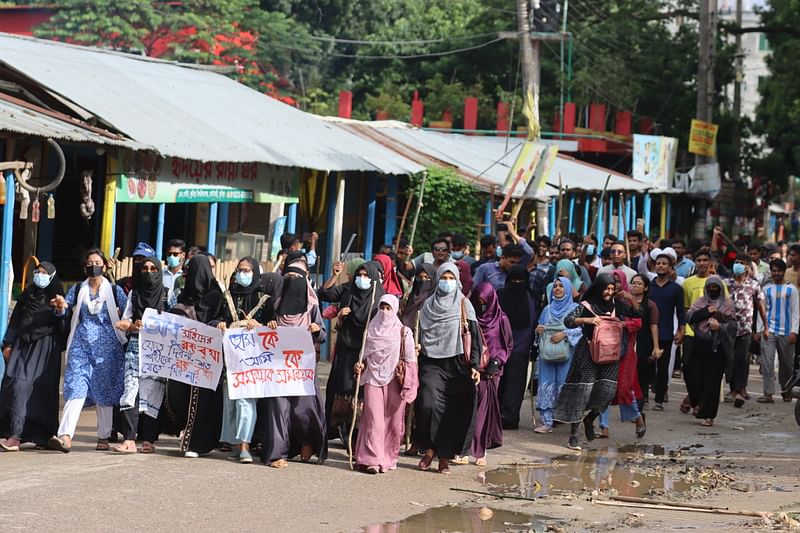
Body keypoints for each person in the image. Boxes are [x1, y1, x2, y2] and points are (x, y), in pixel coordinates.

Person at [49, 248, 128, 453]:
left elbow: (128, 311)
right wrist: (60, 306)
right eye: (90, 263)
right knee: (76, 387)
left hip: (108, 349)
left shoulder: (114, 290)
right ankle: (65, 435)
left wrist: (126, 321)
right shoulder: (77, 289)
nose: (94, 266)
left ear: (104, 265)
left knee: (105, 391)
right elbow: (65, 308)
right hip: (81, 346)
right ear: (85, 267)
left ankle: (103, 436)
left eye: (97, 262)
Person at [552, 273, 639, 451]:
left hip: (611, 354)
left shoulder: (618, 305)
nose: (608, 292)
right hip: (588, 353)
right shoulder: (586, 305)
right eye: (606, 288)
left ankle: (590, 418)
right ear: (598, 288)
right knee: (583, 392)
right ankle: (574, 436)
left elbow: (637, 313)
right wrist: (587, 320)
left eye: (611, 289)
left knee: (607, 391)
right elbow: (568, 321)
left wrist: (630, 298)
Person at [415, 263, 481, 474]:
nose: (447, 282)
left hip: (458, 365)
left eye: (452, 278)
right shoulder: (428, 305)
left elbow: (475, 336)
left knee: (451, 412)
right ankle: (429, 447)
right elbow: (418, 332)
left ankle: (442, 455)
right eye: (444, 277)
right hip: (431, 361)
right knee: (428, 403)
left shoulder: (464, 304)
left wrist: (476, 366)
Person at [261, 257, 327, 468]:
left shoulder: (312, 305)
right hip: (278, 367)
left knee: (302, 409)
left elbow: (322, 332)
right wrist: (268, 325)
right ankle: (276, 454)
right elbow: (261, 330)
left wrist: (316, 330)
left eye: (297, 277)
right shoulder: (275, 303)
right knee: (278, 409)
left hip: (302, 368)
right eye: (288, 276)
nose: (292, 280)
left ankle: (307, 440)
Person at [163, 254, 225, 458]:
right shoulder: (183, 296)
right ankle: (187, 437)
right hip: (185, 358)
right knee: (180, 398)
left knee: (202, 401)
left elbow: (222, 319)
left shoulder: (217, 296)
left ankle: (195, 443)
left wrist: (215, 326)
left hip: (207, 359)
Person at [0, 262, 66, 451]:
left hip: (45, 350)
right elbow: (15, 322)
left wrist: (60, 311)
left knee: (39, 392)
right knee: (16, 385)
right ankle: (14, 434)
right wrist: (8, 343)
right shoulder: (27, 296)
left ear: (52, 277)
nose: (40, 275)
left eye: (45, 273)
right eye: (37, 272)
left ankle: (36, 436)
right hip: (22, 346)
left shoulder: (58, 299)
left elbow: (64, 330)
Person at [318, 261, 384, 441]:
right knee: (342, 389)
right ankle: (340, 429)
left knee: (360, 393)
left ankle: (357, 437)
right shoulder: (349, 289)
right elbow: (324, 294)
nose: (361, 279)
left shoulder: (379, 298)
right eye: (359, 275)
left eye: (366, 276)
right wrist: (334, 276)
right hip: (346, 348)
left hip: (367, 350)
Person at [113, 255, 172, 454]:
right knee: (130, 392)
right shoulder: (135, 294)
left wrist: (157, 325)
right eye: (144, 269)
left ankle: (148, 440)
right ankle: (129, 439)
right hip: (136, 348)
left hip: (159, 351)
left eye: (153, 269)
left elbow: (177, 322)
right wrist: (132, 326)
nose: (148, 272)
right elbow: (125, 322)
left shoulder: (168, 294)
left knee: (153, 394)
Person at [354, 295, 417, 474]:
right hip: (372, 377)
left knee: (394, 422)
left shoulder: (403, 332)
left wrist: (410, 385)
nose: (385, 312)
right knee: (374, 420)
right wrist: (359, 366)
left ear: (396, 309)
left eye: (389, 308)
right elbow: (363, 357)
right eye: (382, 307)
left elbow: (411, 361)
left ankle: (388, 457)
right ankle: (371, 459)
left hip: (395, 379)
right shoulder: (370, 330)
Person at [219, 257, 271, 464]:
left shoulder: (264, 298)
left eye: (248, 270)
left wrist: (260, 324)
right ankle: (233, 443)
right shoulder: (227, 297)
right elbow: (216, 317)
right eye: (240, 270)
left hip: (252, 362)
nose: (243, 273)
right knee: (230, 400)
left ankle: (245, 444)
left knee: (246, 401)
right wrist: (220, 323)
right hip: (230, 358)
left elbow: (272, 326)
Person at [597, 271, 645, 439]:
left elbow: (638, 322)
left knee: (624, 389)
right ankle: (604, 426)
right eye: (611, 281)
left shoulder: (627, 302)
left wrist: (621, 323)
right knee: (604, 387)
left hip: (625, 351)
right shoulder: (602, 301)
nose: (615, 284)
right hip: (605, 350)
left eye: (617, 281)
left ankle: (637, 418)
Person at [468, 282, 512, 465]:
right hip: (472, 368)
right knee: (469, 410)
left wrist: (498, 361)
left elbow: (508, 345)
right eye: (478, 302)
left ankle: (480, 450)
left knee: (483, 412)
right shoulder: (471, 318)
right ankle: (465, 448)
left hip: (491, 372)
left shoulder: (502, 320)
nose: (482, 306)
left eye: (484, 302)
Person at [685, 277, 737, 426]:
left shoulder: (727, 304)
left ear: (720, 288)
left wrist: (719, 326)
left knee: (712, 382)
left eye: (715, 287)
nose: (712, 289)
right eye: (710, 287)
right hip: (699, 345)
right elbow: (689, 317)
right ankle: (698, 403)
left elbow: (733, 326)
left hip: (717, 348)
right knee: (692, 374)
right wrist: (706, 311)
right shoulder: (701, 302)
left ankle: (709, 415)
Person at [534, 277, 580, 433]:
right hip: (547, 353)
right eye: (555, 286)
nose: (558, 289)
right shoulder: (547, 309)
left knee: (564, 383)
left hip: (567, 353)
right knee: (546, 382)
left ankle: (570, 421)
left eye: (561, 286)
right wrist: (539, 330)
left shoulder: (575, 308)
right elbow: (540, 327)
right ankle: (547, 421)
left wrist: (565, 334)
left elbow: (581, 330)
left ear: (568, 289)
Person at [497, 265, 538, 430]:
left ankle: (510, 417)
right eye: (513, 280)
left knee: (515, 385)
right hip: (498, 347)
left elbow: (533, 324)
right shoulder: (499, 295)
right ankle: (495, 415)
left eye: (520, 280)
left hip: (520, 347)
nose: (517, 283)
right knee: (498, 383)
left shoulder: (531, 299)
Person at [725, 254, 766, 407]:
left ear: (748, 267)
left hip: (745, 328)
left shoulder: (753, 285)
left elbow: (760, 306)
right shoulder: (726, 283)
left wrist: (764, 327)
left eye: (741, 263)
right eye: (736, 262)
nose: (738, 265)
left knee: (742, 359)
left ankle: (741, 388)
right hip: (728, 328)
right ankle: (733, 389)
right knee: (731, 359)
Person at [648, 253, 686, 411]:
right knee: (646, 366)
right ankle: (643, 396)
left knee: (663, 368)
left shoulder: (676, 289)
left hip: (666, 332)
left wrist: (681, 330)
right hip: (647, 332)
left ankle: (659, 399)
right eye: (658, 263)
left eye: (664, 264)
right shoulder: (648, 286)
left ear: (671, 268)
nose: (660, 266)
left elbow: (681, 312)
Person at [759, 259, 799, 403]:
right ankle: (768, 394)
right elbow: (761, 310)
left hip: (787, 332)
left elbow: (795, 312)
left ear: (783, 271)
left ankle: (786, 390)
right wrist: (760, 329)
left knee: (787, 364)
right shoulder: (766, 289)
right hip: (769, 331)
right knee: (767, 363)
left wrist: (794, 331)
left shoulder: (792, 290)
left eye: (778, 271)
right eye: (773, 270)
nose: (776, 273)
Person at [629, 275, 661, 411]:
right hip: (628, 341)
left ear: (646, 287)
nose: (635, 286)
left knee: (642, 377)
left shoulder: (650, 305)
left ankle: (639, 408)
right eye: (633, 283)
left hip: (644, 342)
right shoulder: (624, 302)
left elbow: (653, 326)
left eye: (639, 283)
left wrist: (656, 347)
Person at [401, 264, 437, 329]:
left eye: (427, 277)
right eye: (420, 277)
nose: (423, 280)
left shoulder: (435, 301)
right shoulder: (409, 299)